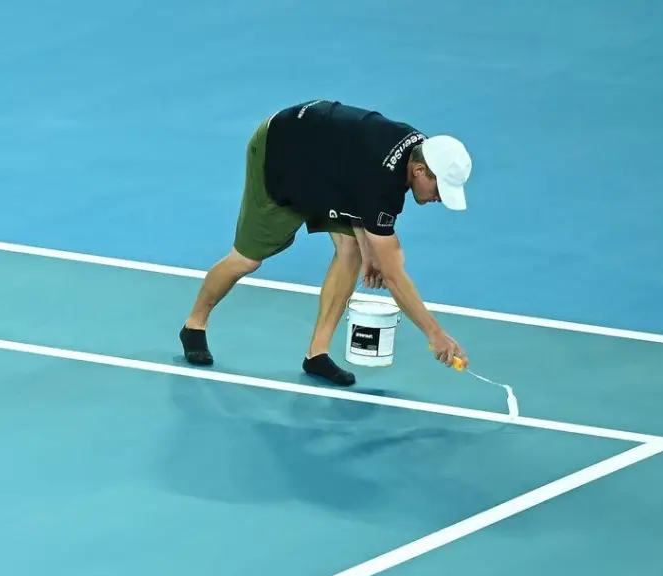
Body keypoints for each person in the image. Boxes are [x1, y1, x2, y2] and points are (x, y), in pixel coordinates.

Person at [178, 100, 472, 386]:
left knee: (352, 251)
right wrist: (435, 334)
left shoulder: (417, 152)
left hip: (325, 163)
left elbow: (356, 187)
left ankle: (316, 354)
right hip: (282, 151)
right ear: (420, 170)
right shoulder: (384, 181)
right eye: (439, 189)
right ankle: (194, 325)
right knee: (247, 259)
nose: (440, 198)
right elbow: (394, 275)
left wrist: (370, 252)